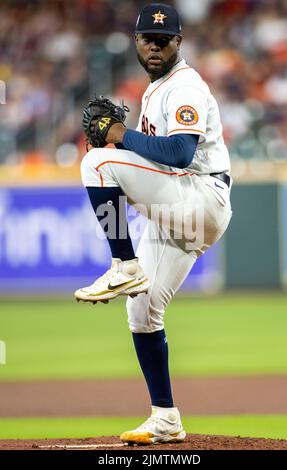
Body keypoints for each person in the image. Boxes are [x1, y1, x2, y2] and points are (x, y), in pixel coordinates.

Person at [75, 3, 232, 445]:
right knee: (142, 311)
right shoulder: (155, 89)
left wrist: (120, 136)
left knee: (98, 163)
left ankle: (123, 263)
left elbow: (181, 153)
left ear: (179, 42)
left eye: (165, 39)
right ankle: (165, 417)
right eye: (149, 39)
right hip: (178, 212)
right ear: (137, 43)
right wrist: (125, 140)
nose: (156, 46)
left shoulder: (183, 86)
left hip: (200, 196)